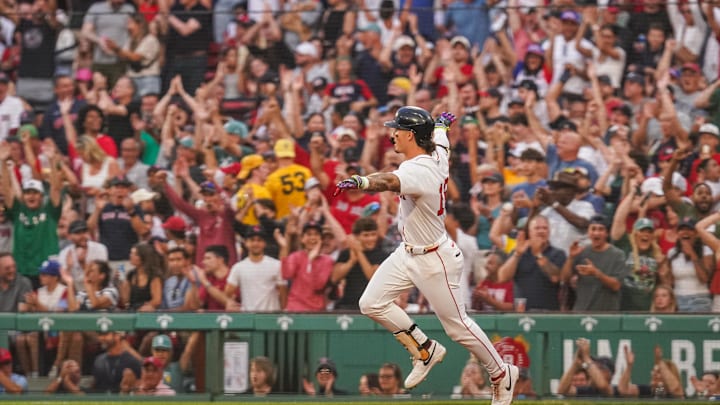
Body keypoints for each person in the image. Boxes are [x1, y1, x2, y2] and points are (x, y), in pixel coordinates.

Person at [335, 107, 517, 403]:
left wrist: (362, 182)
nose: (392, 133)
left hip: (434, 259)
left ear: (410, 135)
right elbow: (442, 139)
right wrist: (442, 126)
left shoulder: (417, 169)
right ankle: (425, 349)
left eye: (397, 129)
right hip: (408, 252)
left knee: (457, 327)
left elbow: (390, 182)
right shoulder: (437, 153)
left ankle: (500, 372)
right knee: (371, 303)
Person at [225, 226, 286, 311]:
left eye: (259, 240)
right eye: (252, 240)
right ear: (246, 243)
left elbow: (283, 292)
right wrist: (232, 304)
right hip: (248, 318)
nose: (255, 244)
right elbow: (228, 292)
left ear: (264, 243)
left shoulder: (276, 265)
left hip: (271, 317)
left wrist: (282, 312)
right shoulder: (238, 267)